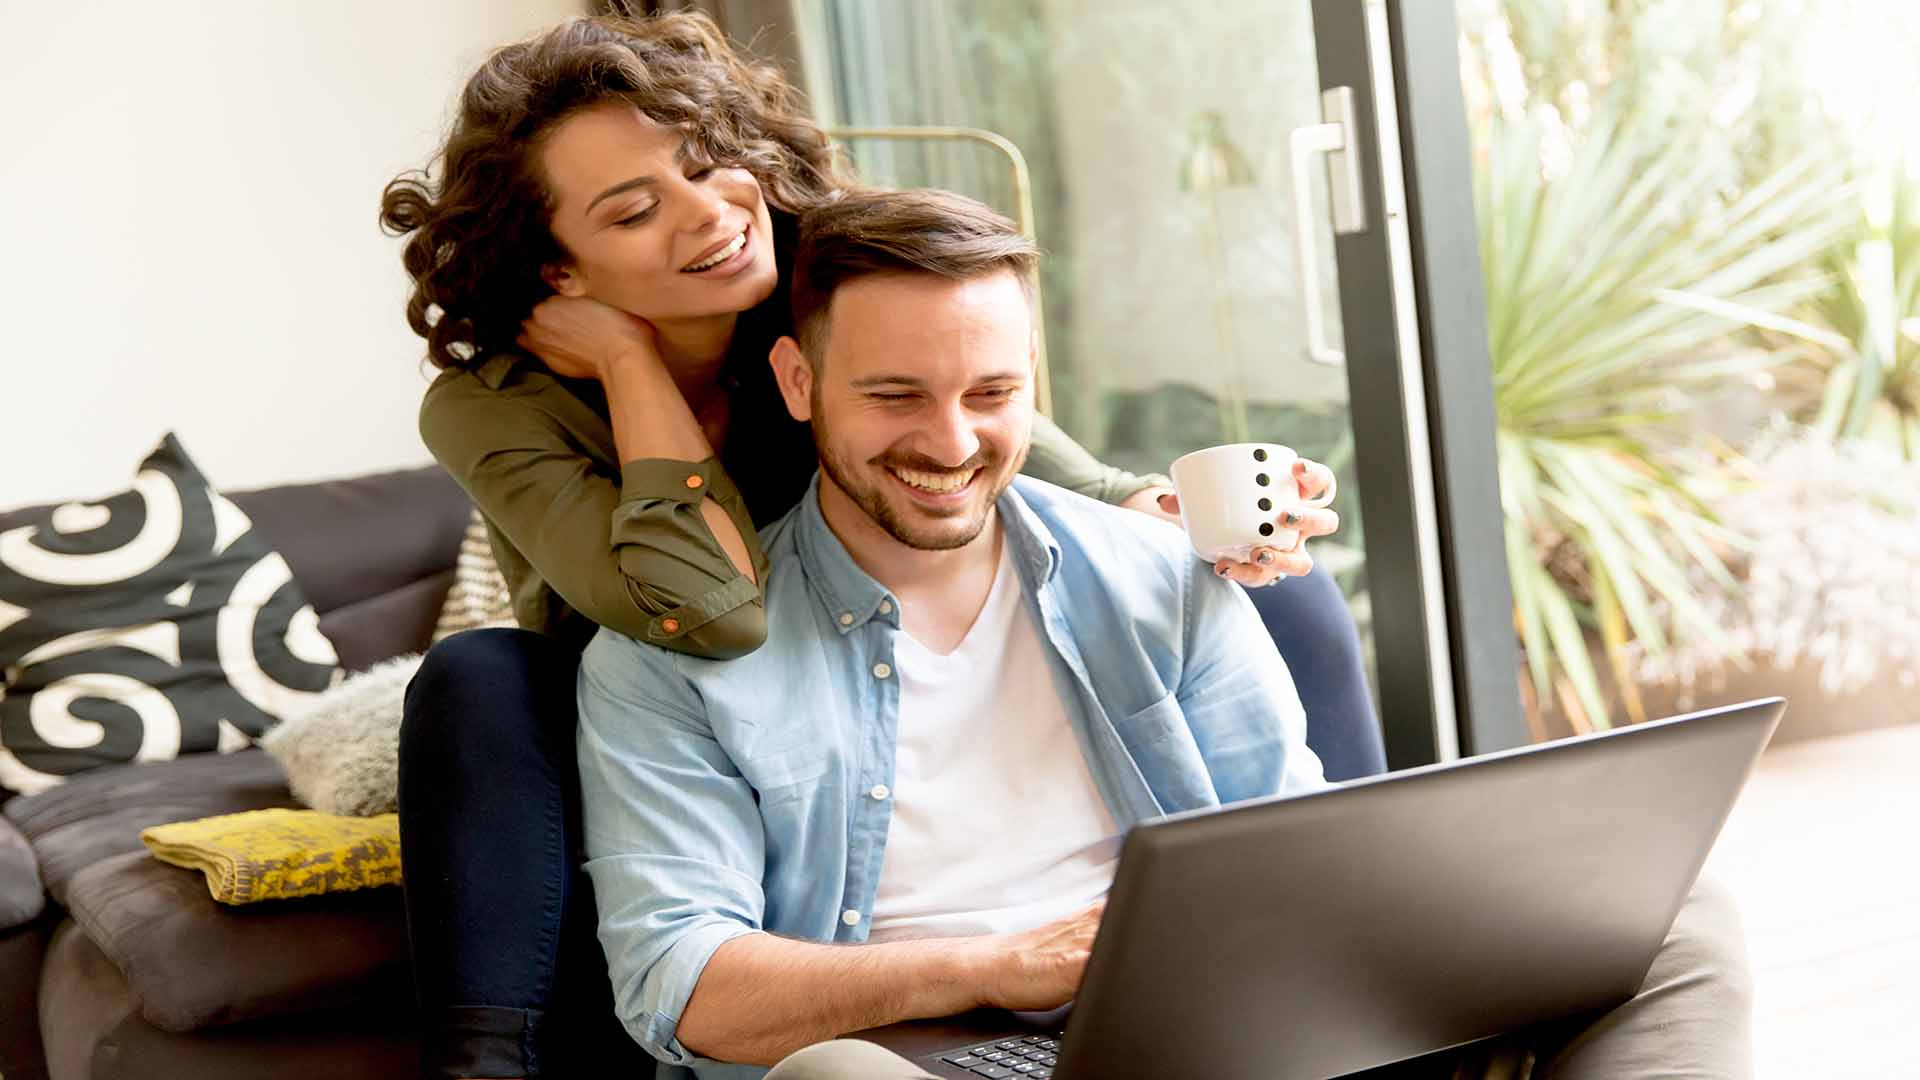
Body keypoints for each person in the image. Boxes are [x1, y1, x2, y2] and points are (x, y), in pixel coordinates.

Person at [379, 12, 1372, 1079]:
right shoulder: (498, 403)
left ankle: (1369, 936)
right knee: (478, 680)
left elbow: (1039, 463)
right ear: (558, 269)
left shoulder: (830, 288)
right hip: (663, 652)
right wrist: (628, 363)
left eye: (709, 165)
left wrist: (1211, 523)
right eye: (634, 210)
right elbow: (707, 616)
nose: (707, 214)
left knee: (1274, 594)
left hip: (866, 603)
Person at [577, 188, 1754, 1080]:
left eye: (992, 394)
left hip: (1215, 1033)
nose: (951, 441)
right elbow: (678, 984)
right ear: (798, 382)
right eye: (895, 396)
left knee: (1671, 924)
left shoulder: (1158, 574)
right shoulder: (666, 658)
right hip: (928, 1060)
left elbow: (1292, 849)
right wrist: (996, 966)